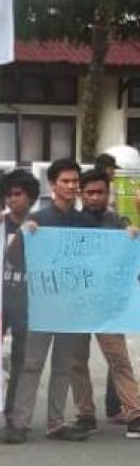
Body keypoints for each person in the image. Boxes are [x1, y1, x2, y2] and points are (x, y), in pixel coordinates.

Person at [7, 159, 95, 444]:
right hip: (41, 303)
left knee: (64, 366)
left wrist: (130, 234)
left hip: (70, 306)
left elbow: (103, 255)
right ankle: (19, 422)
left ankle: (56, 422)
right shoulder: (39, 221)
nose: (71, 186)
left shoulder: (86, 223)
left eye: (74, 181)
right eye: (65, 181)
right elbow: (15, 259)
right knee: (31, 363)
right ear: (53, 184)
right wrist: (23, 235)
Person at [66, 169, 140, 439]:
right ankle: (85, 414)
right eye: (90, 192)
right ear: (81, 194)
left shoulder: (119, 223)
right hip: (76, 302)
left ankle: (134, 413)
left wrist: (132, 235)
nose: (95, 197)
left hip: (107, 305)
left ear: (108, 194)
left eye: (100, 192)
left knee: (119, 358)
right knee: (76, 361)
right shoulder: (69, 223)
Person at [0, 169, 40, 424]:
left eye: (18, 194)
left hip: (26, 302)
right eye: (9, 195)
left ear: (31, 196)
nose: (13, 200)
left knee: (21, 360)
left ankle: (13, 413)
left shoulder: (40, 226)